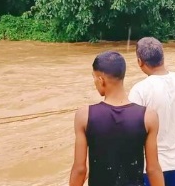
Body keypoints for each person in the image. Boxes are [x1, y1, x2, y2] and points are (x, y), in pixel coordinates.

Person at [69, 51, 165, 186]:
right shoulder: (148, 116)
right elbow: (153, 169)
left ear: (101, 80)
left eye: (94, 78)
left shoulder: (84, 115)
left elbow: (80, 169)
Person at [128, 38, 175, 186]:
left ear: (140, 61)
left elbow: (131, 131)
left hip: (150, 166)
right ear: (163, 57)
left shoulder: (140, 90)